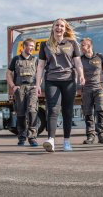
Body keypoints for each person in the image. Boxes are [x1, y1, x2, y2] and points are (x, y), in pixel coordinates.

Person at [35, 19, 85, 152]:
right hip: (52, 80)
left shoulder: (72, 43)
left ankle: (66, 141)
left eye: (62, 26)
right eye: (56, 25)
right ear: (52, 28)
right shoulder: (45, 45)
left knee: (67, 111)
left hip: (69, 81)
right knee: (52, 110)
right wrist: (37, 83)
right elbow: (40, 65)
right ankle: (51, 139)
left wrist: (81, 75)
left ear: (65, 29)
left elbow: (78, 63)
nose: (59, 28)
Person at [79, 37, 103, 144]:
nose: (80, 47)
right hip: (86, 90)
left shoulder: (100, 57)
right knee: (88, 113)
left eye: (82, 45)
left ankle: (102, 135)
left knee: (100, 111)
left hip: (99, 89)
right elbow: (76, 73)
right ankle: (90, 136)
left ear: (89, 46)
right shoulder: (80, 59)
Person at [6, 38, 39, 147]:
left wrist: (37, 85)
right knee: (20, 114)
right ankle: (21, 138)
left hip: (32, 88)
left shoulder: (35, 60)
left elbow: (40, 74)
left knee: (32, 111)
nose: (32, 48)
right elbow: (8, 74)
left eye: (33, 46)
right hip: (20, 89)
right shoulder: (16, 59)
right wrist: (13, 86)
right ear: (24, 47)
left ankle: (33, 138)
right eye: (30, 46)